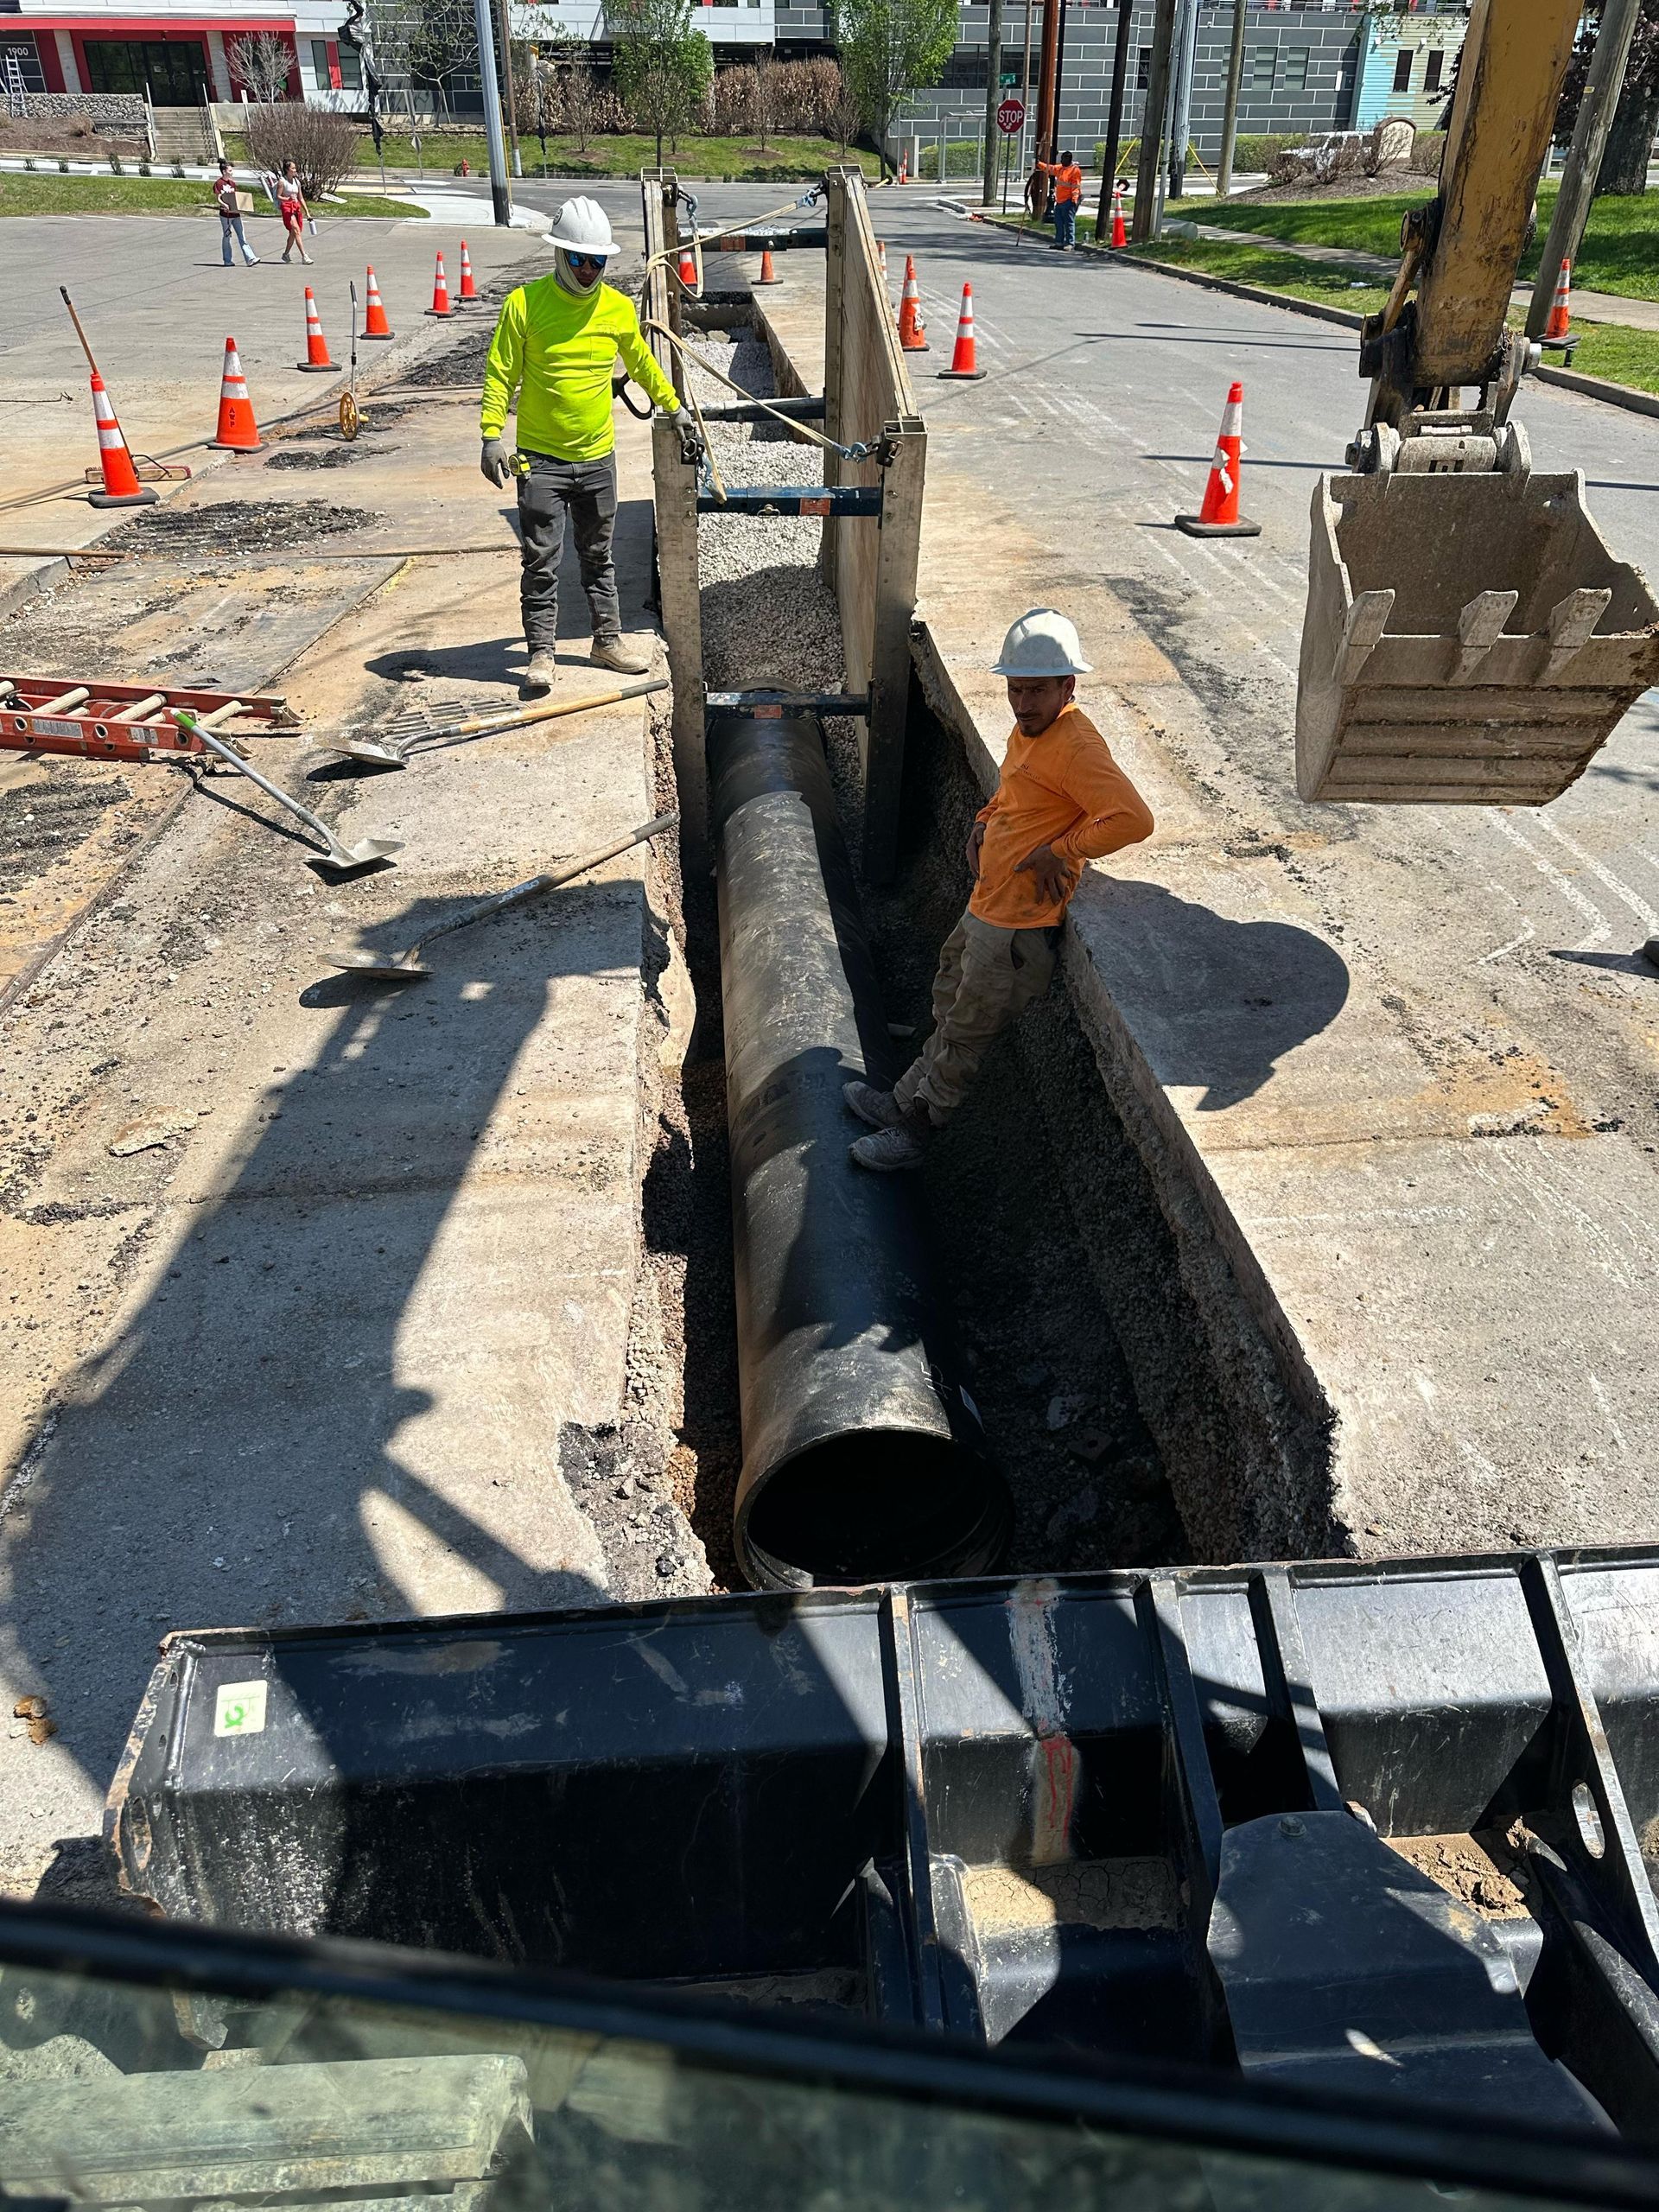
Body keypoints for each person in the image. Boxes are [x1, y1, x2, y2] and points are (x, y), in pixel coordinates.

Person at [845, 608, 1154, 1172]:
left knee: (967, 1030)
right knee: (949, 1007)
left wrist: (1060, 852)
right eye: (1015, 689)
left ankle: (918, 1131)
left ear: (1068, 686)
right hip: (988, 904)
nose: (1023, 702)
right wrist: (984, 820)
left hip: (1018, 927)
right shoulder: (1028, 729)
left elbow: (1133, 818)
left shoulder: (1077, 747)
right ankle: (899, 1101)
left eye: (1037, 691)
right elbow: (1017, 792)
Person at [480, 195, 701, 693]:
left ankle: (607, 640)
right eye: (578, 260)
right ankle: (541, 653)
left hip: (597, 458)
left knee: (599, 555)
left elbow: (642, 363)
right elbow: (500, 374)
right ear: (559, 254)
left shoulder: (618, 309)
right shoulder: (525, 305)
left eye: (596, 261)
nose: (587, 270)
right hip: (539, 460)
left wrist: (673, 405)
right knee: (541, 560)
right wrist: (491, 435)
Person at [213, 158, 259, 269]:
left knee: (242, 236)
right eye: (230, 170)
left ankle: (250, 258)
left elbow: (236, 198)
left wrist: (242, 207)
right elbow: (218, 197)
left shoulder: (233, 183)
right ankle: (227, 260)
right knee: (227, 236)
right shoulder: (219, 183)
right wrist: (224, 205)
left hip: (235, 214)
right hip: (225, 215)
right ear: (224, 171)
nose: (232, 172)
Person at [1036, 149, 1084, 249]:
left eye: (1063, 159)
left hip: (1069, 201)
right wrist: (1039, 164)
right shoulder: (1061, 168)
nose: (1061, 161)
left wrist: (1075, 200)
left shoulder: (1075, 171)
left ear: (1068, 159)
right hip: (1060, 201)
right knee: (1059, 223)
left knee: (1069, 223)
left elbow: (1076, 186)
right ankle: (1059, 242)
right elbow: (1050, 169)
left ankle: (1070, 243)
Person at [275, 161, 311, 264]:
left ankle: (286, 254)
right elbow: (278, 196)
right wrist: (287, 198)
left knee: (293, 233)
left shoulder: (296, 181)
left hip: (296, 208)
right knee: (296, 230)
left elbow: (301, 197)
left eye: (295, 168)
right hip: (287, 208)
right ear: (287, 170)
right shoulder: (282, 181)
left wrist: (307, 212)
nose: (295, 170)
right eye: (293, 168)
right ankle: (304, 256)